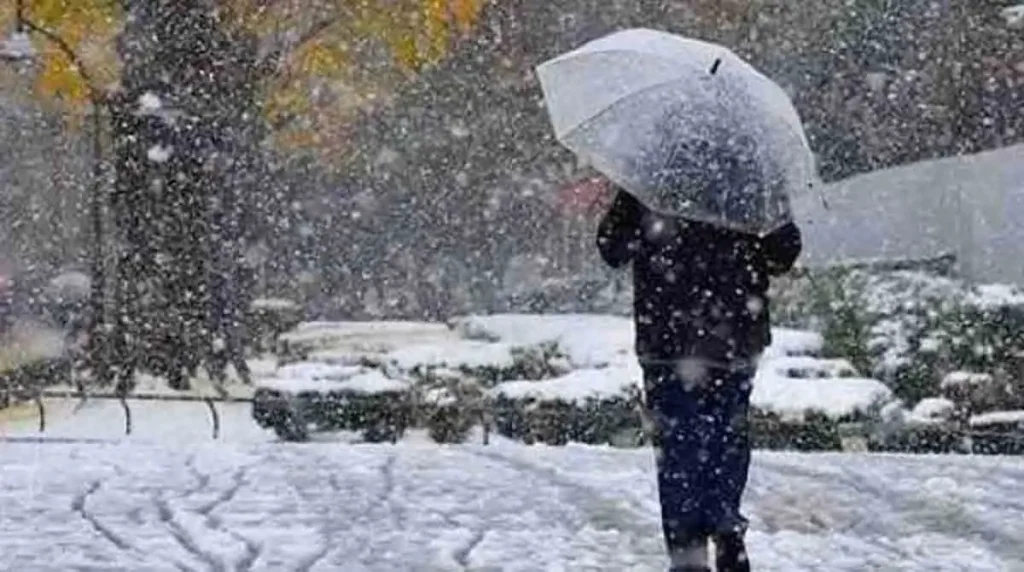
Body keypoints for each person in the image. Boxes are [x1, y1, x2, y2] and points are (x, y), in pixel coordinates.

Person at [596, 188, 802, 572]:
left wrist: (652, 230)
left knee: (679, 448)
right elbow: (783, 252)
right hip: (734, 336)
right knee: (727, 438)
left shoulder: (653, 175)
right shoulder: (751, 176)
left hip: (669, 337)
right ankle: (726, 529)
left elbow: (612, 248)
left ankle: (688, 552)